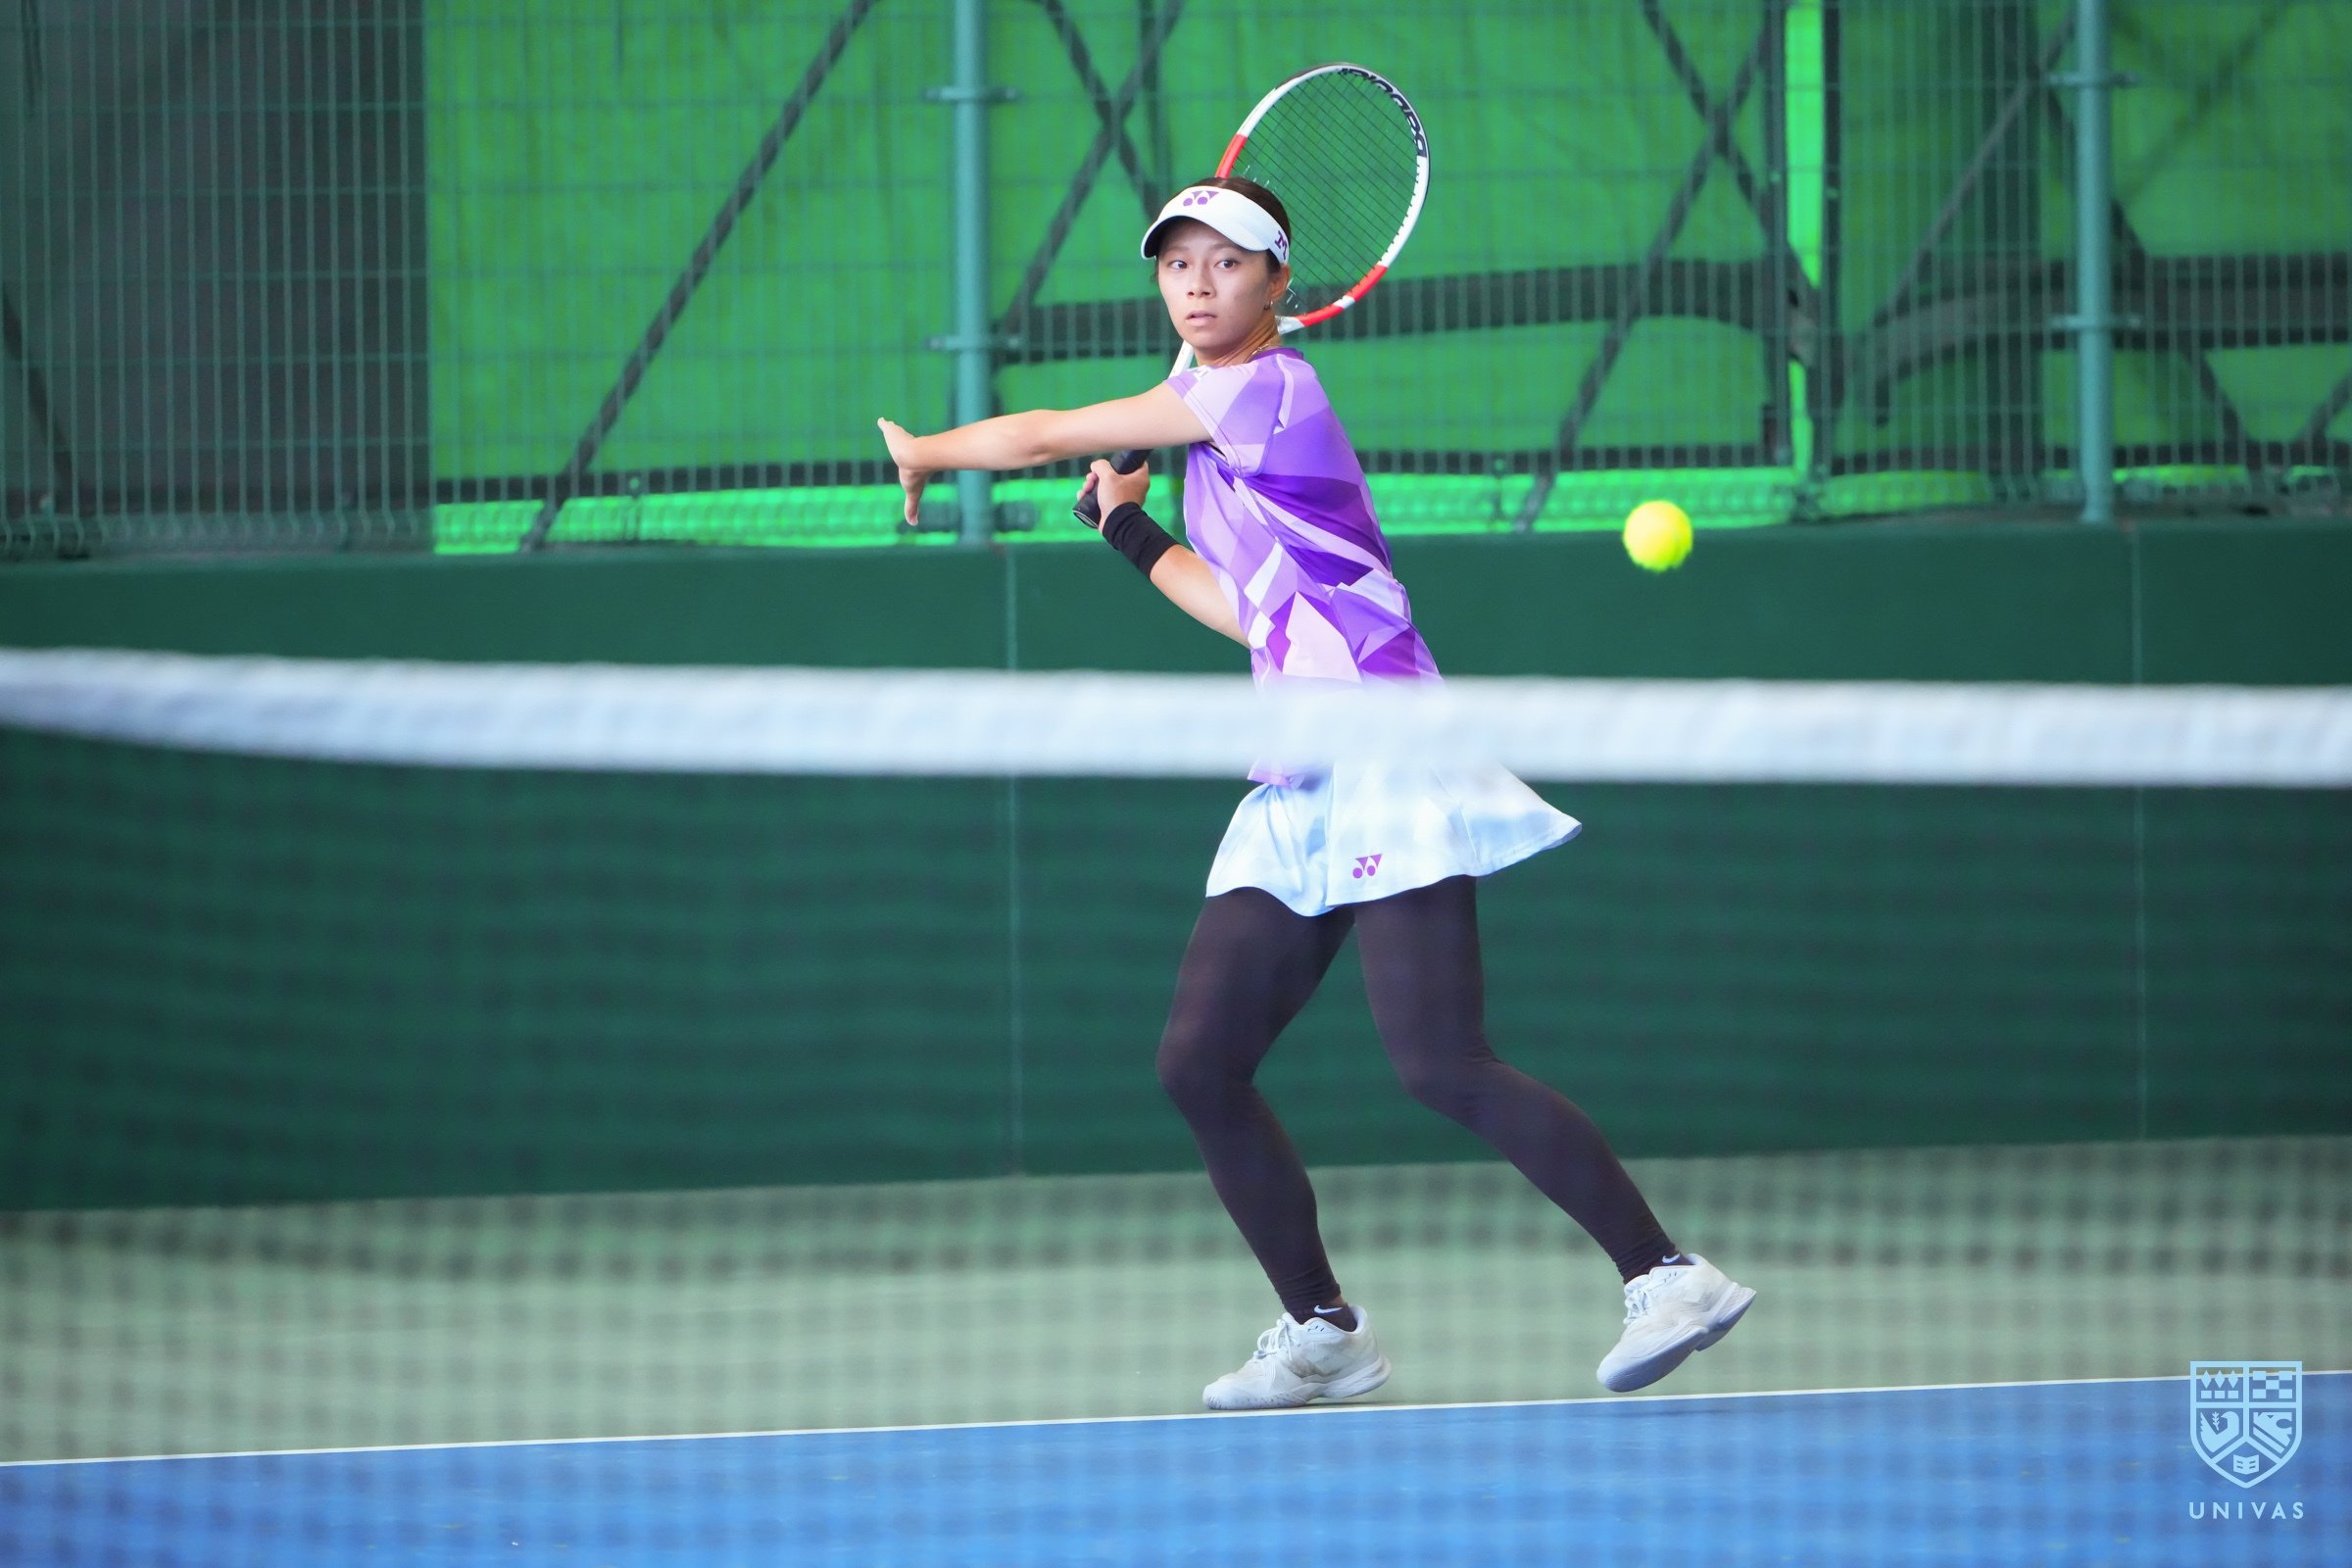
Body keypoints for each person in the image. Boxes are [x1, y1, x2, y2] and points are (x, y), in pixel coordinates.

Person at [879, 176, 1753, 1410]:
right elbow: (1251, 612)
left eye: (1227, 263)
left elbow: (1043, 435)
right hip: (1300, 761)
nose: (1197, 284)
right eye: (1176, 264)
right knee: (1199, 1062)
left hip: (1383, 740)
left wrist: (927, 451)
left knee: (1441, 1061)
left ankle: (1669, 1274)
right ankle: (1324, 1328)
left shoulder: (1268, 389)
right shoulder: (1208, 422)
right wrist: (1126, 529)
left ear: (1279, 282)